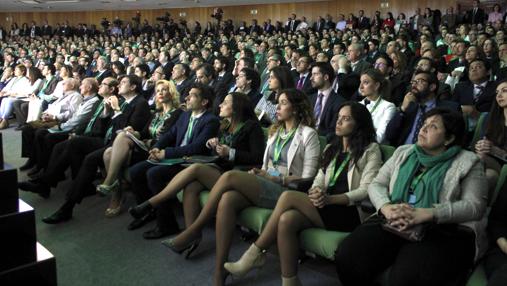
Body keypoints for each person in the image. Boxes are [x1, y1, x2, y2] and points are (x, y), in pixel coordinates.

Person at [162, 88, 320, 285]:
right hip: (267, 183)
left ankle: (194, 230)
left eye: (283, 103)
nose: (277, 107)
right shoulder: (274, 132)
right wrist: (262, 173)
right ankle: (220, 271)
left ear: (296, 109)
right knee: (227, 199)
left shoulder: (308, 134)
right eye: (278, 102)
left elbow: (308, 178)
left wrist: (275, 177)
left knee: (229, 177)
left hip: (289, 192)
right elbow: (264, 166)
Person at [224, 102, 382, 286]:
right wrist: (316, 191)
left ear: (359, 124)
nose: (339, 122)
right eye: (338, 117)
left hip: (349, 211)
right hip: (324, 205)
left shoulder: (370, 150)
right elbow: (319, 179)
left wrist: (331, 199)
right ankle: (290, 281)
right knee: (286, 220)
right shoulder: (333, 147)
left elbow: (366, 189)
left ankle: (255, 253)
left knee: (288, 197)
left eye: (346, 119)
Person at [335, 108, 488, 286]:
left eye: (433, 127)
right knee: (348, 255)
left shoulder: (468, 162)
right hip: (393, 218)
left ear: (449, 138)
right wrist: (386, 207)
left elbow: (475, 206)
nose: (423, 129)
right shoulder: (404, 152)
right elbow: (377, 184)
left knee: (406, 277)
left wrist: (429, 213)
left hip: (438, 228)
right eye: (424, 124)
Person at [128, 92, 265, 236]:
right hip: (218, 168)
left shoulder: (251, 127)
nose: (220, 105)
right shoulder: (225, 125)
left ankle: (151, 204)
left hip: (235, 174)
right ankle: (191, 235)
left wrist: (230, 152)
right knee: (191, 187)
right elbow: (212, 151)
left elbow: (257, 157)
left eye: (225, 102)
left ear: (237, 107)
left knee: (194, 169)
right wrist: (213, 144)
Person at [127, 83, 220, 239]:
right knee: (135, 171)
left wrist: (166, 153)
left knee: (154, 174)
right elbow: (170, 134)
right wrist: (157, 148)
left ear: (204, 102)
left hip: (189, 162)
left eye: (193, 95)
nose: (187, 97)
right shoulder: (185, 115)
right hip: (174, 157)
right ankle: (148, 211)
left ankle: (167, 225)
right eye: (188, 94)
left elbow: (196, 148)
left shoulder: (211, 120)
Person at [98, 80, 183, 216]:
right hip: (146, 146)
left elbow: (168, 138)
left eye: (164, 90)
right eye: (158, 91)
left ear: (171, 93)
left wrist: (147, 140)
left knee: (120, 140)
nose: (160, 93)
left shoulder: (177, 113)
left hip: (158, 150)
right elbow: (143, 132)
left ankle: (110, 182)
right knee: (109, 152)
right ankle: (116, 193)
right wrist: (134, 132)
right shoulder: (156, 113)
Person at [475, 79, 507, 190]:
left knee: (480, 158)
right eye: (497, 92)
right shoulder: (490, 118)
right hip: (490, 164)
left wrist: (498, 152)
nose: (499, 95)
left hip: (504, 166)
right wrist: (480, 145)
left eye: (504, 91)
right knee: (489, 176)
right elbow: (482, 142)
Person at [358, 69, 396, 143]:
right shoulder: (358, 105)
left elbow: (379, 138)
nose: (361, 86)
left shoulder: (388, 107)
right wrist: (372, 130)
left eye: (365, 82)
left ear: (376, 85)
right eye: (360, 82)